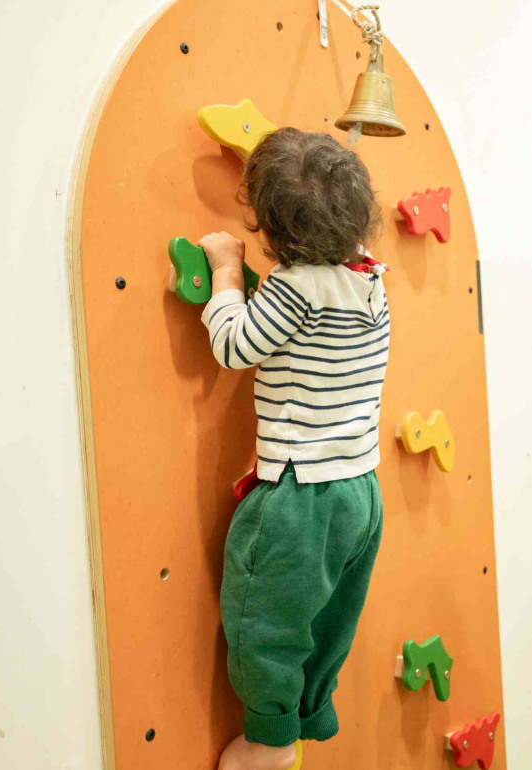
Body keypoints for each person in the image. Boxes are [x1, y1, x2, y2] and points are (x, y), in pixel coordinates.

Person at [196, 128, 390, 770]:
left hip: (302, 491)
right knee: (330, 613)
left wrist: (228, 274)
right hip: (360, 489)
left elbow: (234, 346)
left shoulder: (295, 286)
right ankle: (309, 711)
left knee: (264, 618)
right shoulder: (369, 275)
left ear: (274, 233)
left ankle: (270, 738)